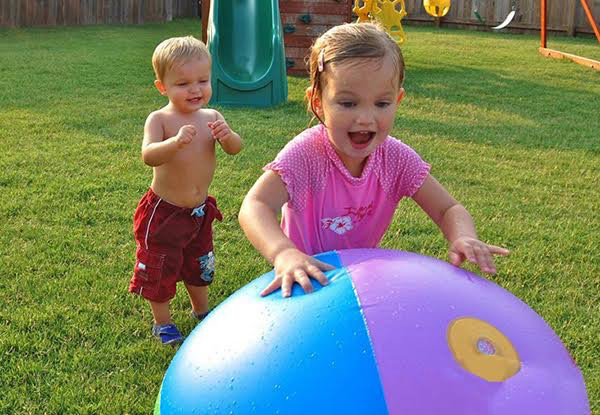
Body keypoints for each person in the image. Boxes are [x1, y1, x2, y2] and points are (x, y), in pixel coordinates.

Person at [238, 23, 508, 298]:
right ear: (317, 102)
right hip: (304, 278)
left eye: (381, 104)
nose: (366, 118)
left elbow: (447, 208)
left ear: (398, 100)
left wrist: (462, 235)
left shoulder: (396, 159)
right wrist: (284, 253)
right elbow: (255, 205)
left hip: (360, 277)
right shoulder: (306, 155)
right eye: (347, 103)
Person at [129, 36, 242, 345]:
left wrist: (228, 135)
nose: (195, 89)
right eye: (183, 83)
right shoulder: (160, 119)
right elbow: (149, 155)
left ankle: (201, 311)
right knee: (159, 266)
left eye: (202, 81)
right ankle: (162, 324)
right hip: (164, 213)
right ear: (162, 87)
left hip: (199, 212)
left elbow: (235, 149)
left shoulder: (213, 117)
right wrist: (174, 142)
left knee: (199, 262)